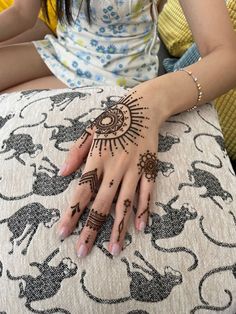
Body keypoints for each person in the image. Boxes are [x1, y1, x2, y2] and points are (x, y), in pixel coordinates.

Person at [0, 0, 235, 258]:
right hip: (63, 50)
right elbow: (22, 13)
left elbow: (227, 55)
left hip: (116, 76)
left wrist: (149, 101)